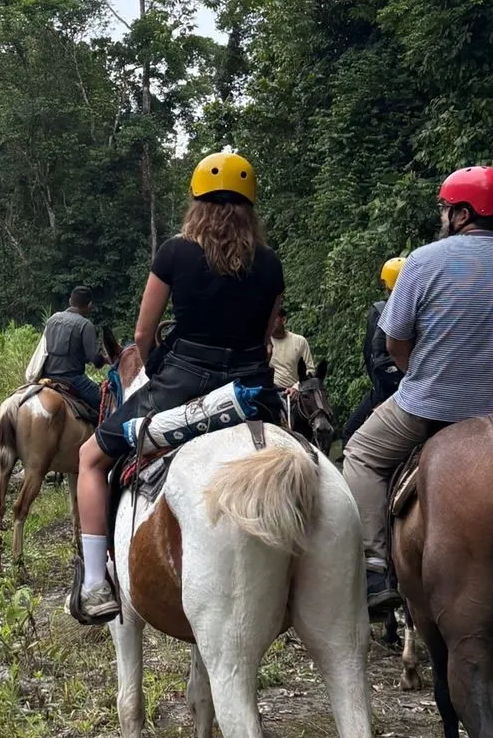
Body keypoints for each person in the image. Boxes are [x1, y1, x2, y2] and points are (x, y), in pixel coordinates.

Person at [342, 167, 493, 615]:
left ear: (464, 214)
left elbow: (394, 343)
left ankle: (372, 564)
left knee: (361, 454)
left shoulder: (424, 261)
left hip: (433, 405)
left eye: (446, 208)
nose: (443, 216)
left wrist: (422, 376)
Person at [70, 148, 286, 624]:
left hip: (182, 382)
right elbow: (267, 340)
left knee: (89, 459)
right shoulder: (269, 264)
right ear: (251, 206)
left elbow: (143, 335)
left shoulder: (174, 252)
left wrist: (157, 373)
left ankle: (93, 583)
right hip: (252, 389)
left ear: (196, 202)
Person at [340, 258, 407, 445]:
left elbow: (379, 359)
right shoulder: (422, 307)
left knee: (349, 434)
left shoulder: (383, 311)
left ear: (386, 283)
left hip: (387, 391)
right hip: (418, 388)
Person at [38, 285, 106, 420]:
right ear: (89, 305)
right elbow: (96, 359)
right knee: (106, 403)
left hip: (47, 377)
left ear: (70, 301)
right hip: (73, 380)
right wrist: (105, 359)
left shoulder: (52, 319)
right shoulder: (85, 325)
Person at [269, 301, 315, 391]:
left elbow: (310, 370)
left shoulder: (300, 341)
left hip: (296, 391)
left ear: (283, 320)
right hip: (272, 392)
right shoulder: (264, 342)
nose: (270, 322)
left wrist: (296, 387)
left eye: (274, 318)